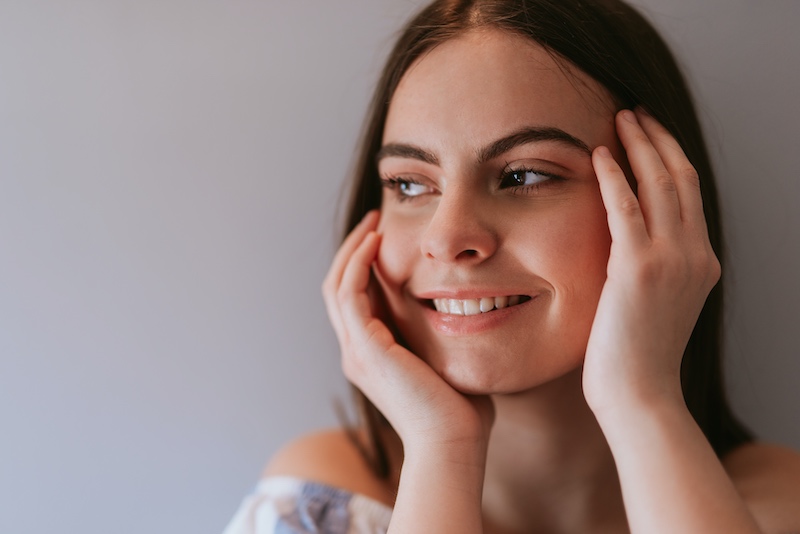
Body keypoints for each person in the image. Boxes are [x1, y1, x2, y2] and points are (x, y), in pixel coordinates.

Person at [224, 0, 800, 532]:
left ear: (661, 199)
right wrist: (441, 448)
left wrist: (640, 398)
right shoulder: (323, 500)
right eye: (408, 183)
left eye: (524, 175)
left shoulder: (773, 503)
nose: (447, 239)